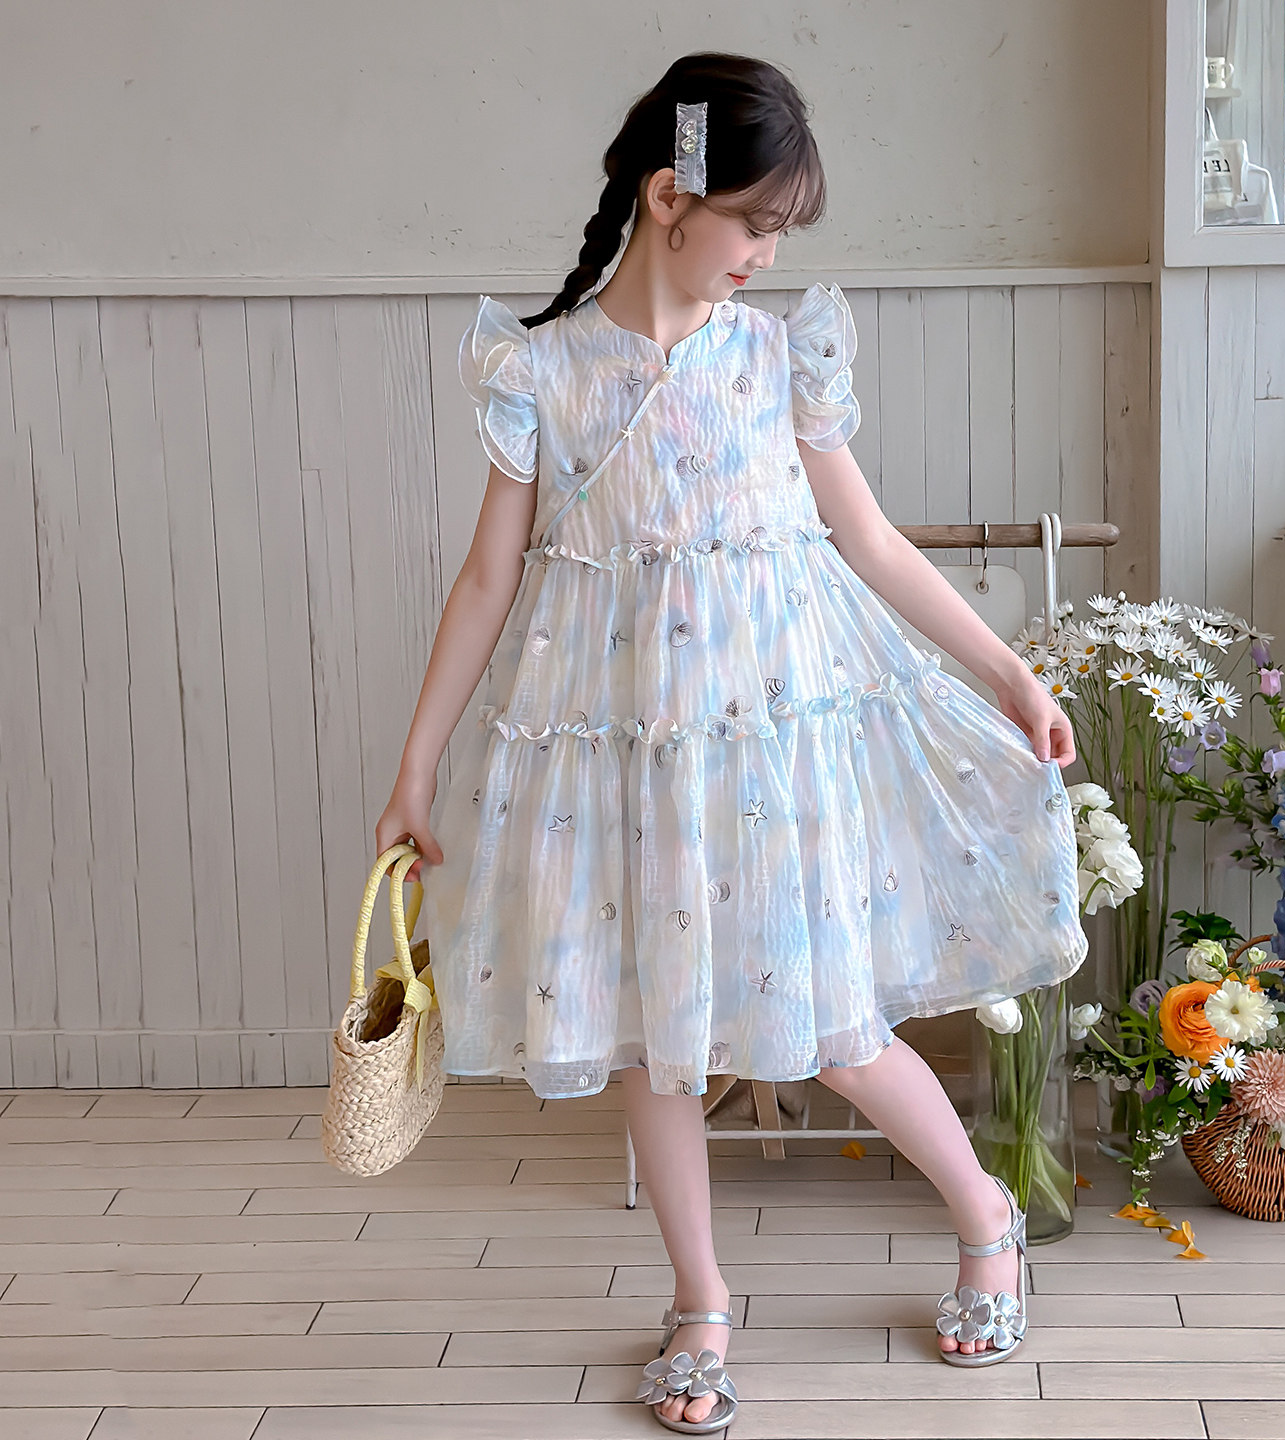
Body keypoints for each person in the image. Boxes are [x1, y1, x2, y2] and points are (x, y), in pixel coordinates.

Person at [376, 51, 1087, 1435]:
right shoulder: (545, 371)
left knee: (833, 1023)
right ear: (669, 199)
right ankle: (700, 1299)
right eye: (755, 223)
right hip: (621, 750)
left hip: (771, 747)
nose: (767, 254)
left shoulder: (774, 357)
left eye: (780, 231)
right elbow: (486, 579)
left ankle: (986, 1216)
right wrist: (415, 769)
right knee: (656, 1037)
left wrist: (1008, 672)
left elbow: (869, 540)